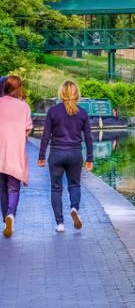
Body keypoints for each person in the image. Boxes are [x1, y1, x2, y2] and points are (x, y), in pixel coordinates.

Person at [38, 81, 93, 233]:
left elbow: (45, 136)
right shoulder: (82, 113)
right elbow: (88, 137)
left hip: (57, 154)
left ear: (61, 93)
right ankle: (74, 208)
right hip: (75, 154)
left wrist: (41, 155)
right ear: (77, 94)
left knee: (56, 189)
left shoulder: (53, 112)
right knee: (74, 185)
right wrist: (90, 158)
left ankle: (60, 224)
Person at [0, 76, 33, 238]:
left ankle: (6, 222)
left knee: (2, 189)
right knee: (13, 188)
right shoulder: (24, 107)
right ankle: (10, 215)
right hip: (15, 154)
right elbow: (27, 130)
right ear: (18, 88)